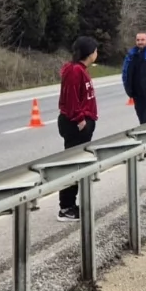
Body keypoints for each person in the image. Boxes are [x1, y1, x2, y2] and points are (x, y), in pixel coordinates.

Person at [57, 36, 100, 223]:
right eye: (96, 50)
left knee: (79, 164)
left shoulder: (81, 70)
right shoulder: (75, 71)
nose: (97, 53)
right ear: (90, 53)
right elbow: (72, 98)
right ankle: (66, 207)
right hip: (76, 123)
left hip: (82, 122)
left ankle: (71, 204)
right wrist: (80, 119)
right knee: (72, 164)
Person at [121, 32, 146, 124]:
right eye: (138, 40)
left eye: (142, 40)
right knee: (141, 119)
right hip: (137, 94)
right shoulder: (131, 54)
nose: (140, 42)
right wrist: (128, 89)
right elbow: (125, 72)